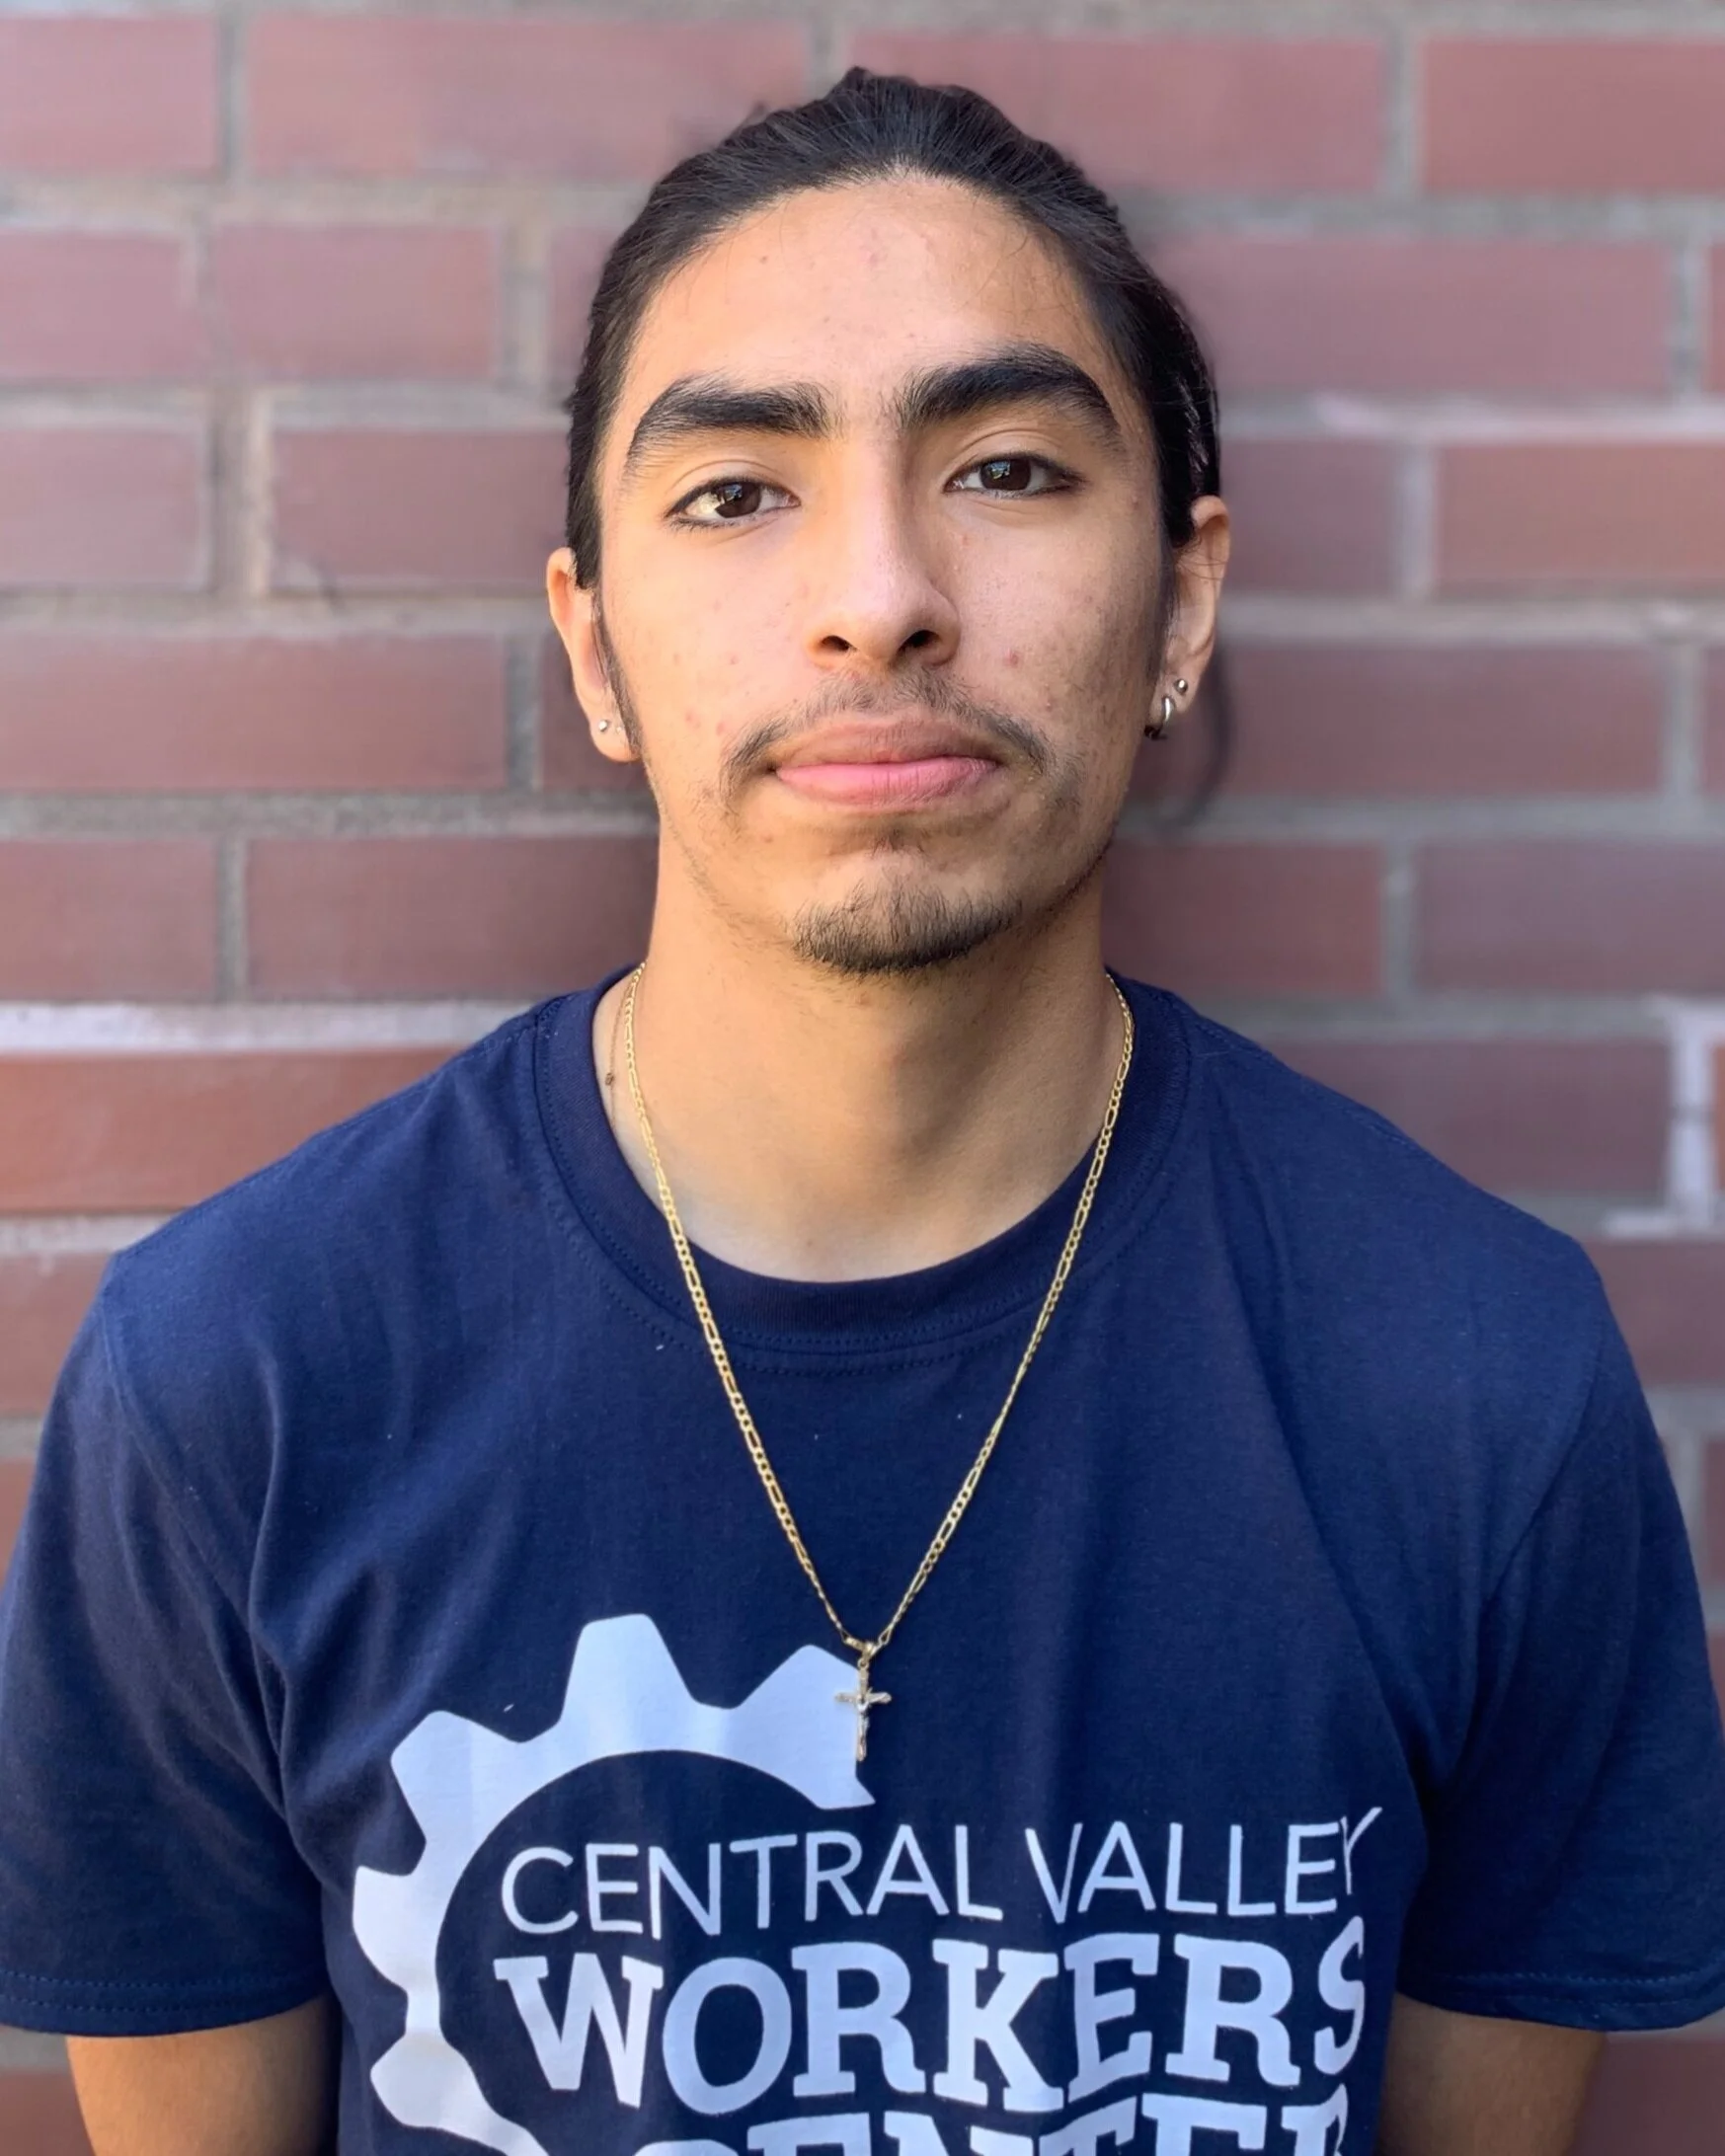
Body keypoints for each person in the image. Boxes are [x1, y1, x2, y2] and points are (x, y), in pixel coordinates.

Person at [1, 68, 1722, 2156]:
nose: (881, 591)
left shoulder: (1476, 1382)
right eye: (738, 492)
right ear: (595, 646)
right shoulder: (242, 1381)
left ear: (1179, 606)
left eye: (1005, 469)